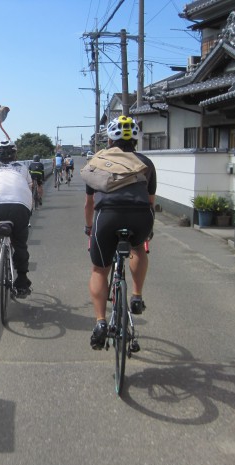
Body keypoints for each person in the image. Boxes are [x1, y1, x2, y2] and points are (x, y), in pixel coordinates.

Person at [84, 115, 156, 350]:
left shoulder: (98, 161)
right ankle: (136, 296)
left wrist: (89, 227)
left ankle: (100, 322)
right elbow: (151, 201)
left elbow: (89, 203)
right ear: (136, 139)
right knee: (138, 248)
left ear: (109, 139)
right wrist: (148, 229)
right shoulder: (146, 162)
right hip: (140, 216)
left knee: (99, 269)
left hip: (107, 217)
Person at [0, 140, 33, 296]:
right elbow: (29, 187)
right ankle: (22, 281)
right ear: (15, 155)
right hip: (20, 206)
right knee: (20, 243)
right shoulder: (22, 167)